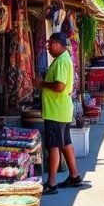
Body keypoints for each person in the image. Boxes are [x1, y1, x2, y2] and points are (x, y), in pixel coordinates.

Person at [35, 32, 83, 194]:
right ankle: (74, 175)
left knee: (54, 145)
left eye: (49, 45)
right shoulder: (63, 59)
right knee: (64, 142)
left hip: (56, 110)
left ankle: (52, 183)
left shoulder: (62, 61)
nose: (48, 48)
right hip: (61, 109)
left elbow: (60, 86)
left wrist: (41, 83)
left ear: (56, 44)